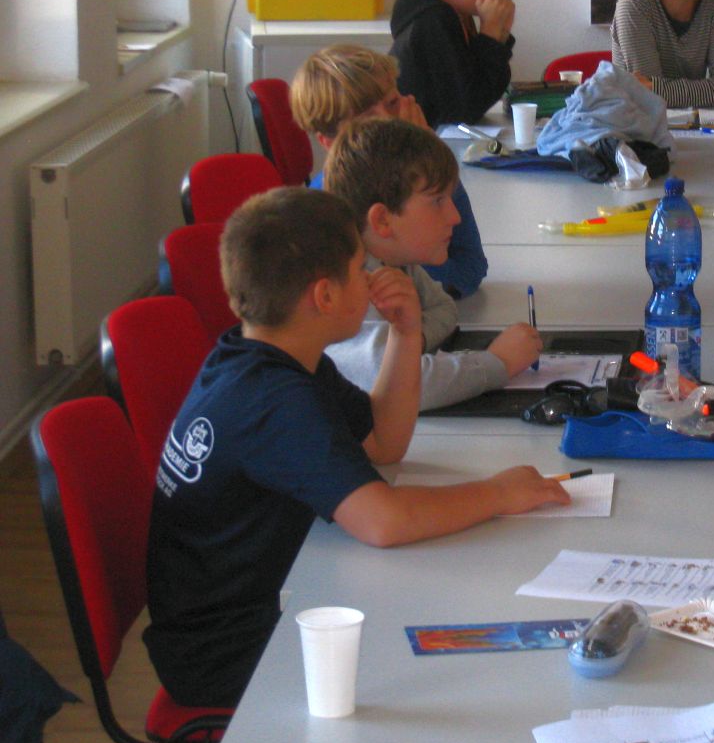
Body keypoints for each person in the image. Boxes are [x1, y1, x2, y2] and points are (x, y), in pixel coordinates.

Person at [144, 187, 567, 707]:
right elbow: (382, 522)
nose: (371, 279)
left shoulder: (269, 356)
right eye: (359, 269)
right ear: (324, 297)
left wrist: (406, 333)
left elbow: (384, 441)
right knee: (460, 651)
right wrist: (498, 493)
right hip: (226, 652)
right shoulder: (271, 400)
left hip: (258, 606)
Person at [321, 118, 540, 410]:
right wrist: (498, 362)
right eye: (437, 201)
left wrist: (408, 340)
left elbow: (443, 308)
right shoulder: (349, 284)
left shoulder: (394, 260)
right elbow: (407, 387)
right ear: (383, 221)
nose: (454, 216)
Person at [291, 43, 487, 297]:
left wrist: (433, 167)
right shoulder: (329, 216)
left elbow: (471, 269)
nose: (389, 120)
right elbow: (453, 282)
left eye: (393, 103)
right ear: (329, 142)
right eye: (367, 119)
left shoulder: (414, 178)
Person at [390, 0, 515, 127]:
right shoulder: (433, 21)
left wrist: (500, 35)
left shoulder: (454, 13)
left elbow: (484, 91)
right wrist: (491, 35)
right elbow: (467, 108)